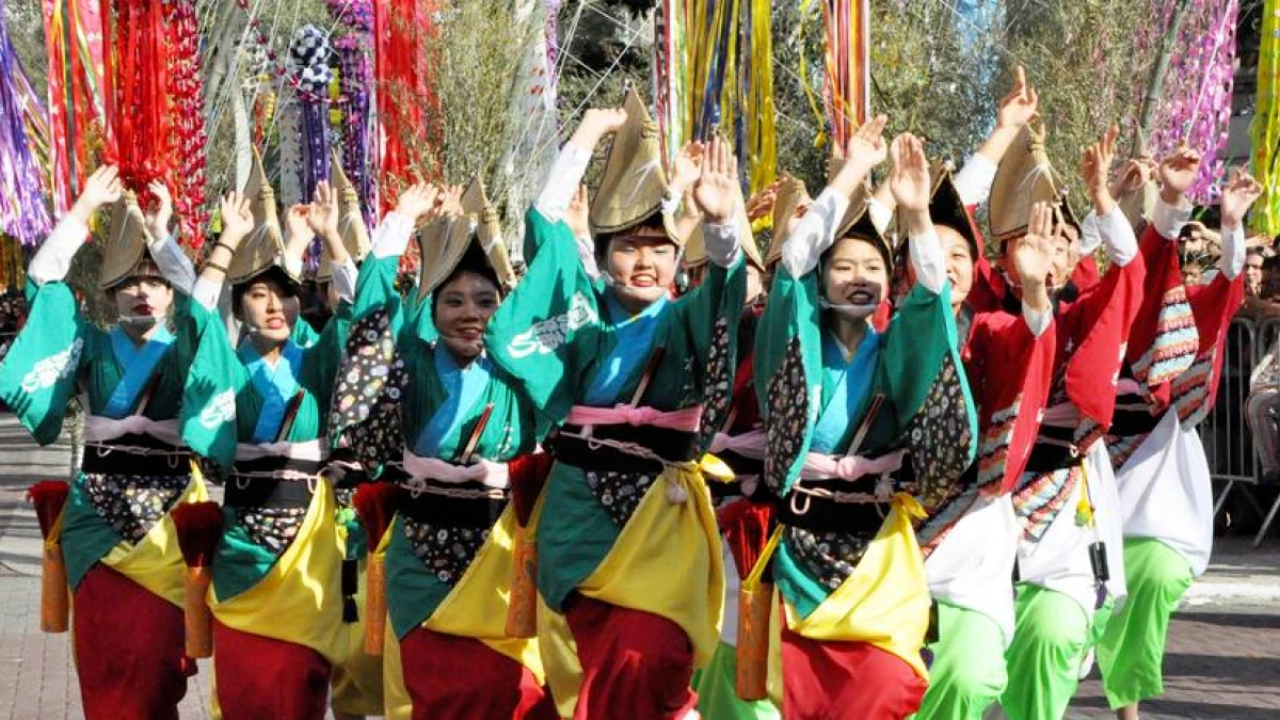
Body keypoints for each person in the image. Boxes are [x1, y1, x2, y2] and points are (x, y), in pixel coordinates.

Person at [484, 88, 748, 720]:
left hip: (664, 519)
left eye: (660, 248)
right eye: (628, 247)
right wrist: (584, 138)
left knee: (652, 653)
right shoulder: (580, 316)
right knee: (591, 664)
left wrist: (720, 226)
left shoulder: (687, 318)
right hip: (579, 514)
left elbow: (727, 293)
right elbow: (544, 229)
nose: (645, 262)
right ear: (602, 257)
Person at [756, 122, 978, 719]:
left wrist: (916, 216)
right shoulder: (795, 342)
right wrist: (854, 171)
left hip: (880, 552)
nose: (859, 279)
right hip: (803, 549)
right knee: (809, 702)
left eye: (873, 269)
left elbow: (931, 299)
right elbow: (793, 261)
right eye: (844, 267)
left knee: (888, 683)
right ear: (821, 278)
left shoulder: (897, 348)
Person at [330, 175, 560, 720]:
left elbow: (571, 311)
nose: (470, 313)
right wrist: (400, 225)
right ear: (431, 312)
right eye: (452, 301)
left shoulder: (522, 369)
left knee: (512, 695)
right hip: (420, 560)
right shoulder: (409, 365)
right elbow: (373, 320)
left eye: (485, 301)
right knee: (429, 692)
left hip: (502, 557)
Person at [0, 166, 203, 720]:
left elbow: (204, 303)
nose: (142, 293)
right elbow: (43, 280)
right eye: (129, 282)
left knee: (159, 667)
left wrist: (162, 236)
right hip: (96, 522)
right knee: (104, 662)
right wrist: (85, 206)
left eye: (155, 282)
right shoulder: (88, 344)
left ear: (170, 293)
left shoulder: (190, 345)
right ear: (109, 293)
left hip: (169, 524)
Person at [179, 153, 354, 720]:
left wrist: (332, 238)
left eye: (285, 295)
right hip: (243, 545)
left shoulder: (318, 360)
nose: (275, 306)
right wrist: (227, 242)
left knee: (303, 681)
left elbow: (364, 316)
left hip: (312, 546)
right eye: (258, 294)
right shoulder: (226, 367)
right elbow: (195, 321)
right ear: (239, 305)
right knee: (248, 681)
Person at [980, 124, 1147, 720]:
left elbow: (1130, 275)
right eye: (1034, 241)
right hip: (980, 505)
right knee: (961, 664)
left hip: (1064, 505)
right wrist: (1003, 137)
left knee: (1051, 637)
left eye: (1061, 244)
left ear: (1076, 256)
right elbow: (942, 246)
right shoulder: (982, 318)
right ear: (1004, 255)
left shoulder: (1084, 315)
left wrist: (1102, 199)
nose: (1048, 254)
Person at [1098, 156, 1262, 720]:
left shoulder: (1180, 311)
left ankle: (1128, 708)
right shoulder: (1093, 300)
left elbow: (1224, 295)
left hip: (1158, 484)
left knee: (1154, 575)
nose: (1186, 265)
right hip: (1084, 481)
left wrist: (1230, 223)